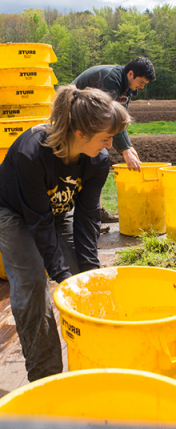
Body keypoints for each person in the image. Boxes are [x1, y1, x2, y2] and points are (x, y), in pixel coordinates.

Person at [0, 85, 131, 382]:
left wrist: (88, 273)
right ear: (80, 134)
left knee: (87, 277)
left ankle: (95, 359)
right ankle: (45, 376)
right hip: (14, 213)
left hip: (58, 211)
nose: (110, 145)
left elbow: (86, 219)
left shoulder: (97, 160)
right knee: (33, 283)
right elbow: (38, 223)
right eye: (106, 138)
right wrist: (60, 275)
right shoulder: (30, 153)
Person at [72, 57, 156, 223]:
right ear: (130, 73)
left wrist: (129, 146)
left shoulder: (126, 86)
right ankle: (88, 215)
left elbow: (119, 119)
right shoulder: (110, 80)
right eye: (141, 81)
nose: (142, 86)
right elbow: (109, 117)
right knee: (94, 161)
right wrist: (125, 150)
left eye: (145, 83)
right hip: (73, 117)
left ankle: (94, 212)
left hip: (88, 119)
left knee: (98, 161)